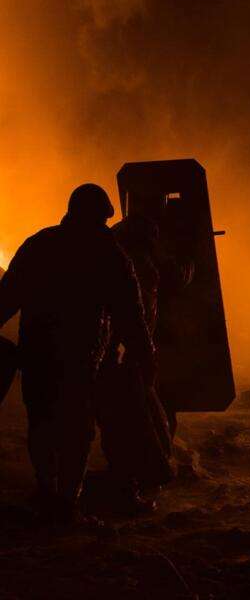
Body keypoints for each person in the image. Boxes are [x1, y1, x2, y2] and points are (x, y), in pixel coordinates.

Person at [0, 184, 154, 522]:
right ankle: (66, 499)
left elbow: (7, 296)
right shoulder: (109, 254)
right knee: (76, 427)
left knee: (41, 420)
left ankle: (47, 489)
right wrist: (145, 355)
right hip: (81, 359)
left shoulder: (40, 244)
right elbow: (130, 313)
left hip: (38, 354)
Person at [96, 213, 174, 513]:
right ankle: (125, 489)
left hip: (113, 354)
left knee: (127, 422)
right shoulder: (125, 263)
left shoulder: (119, 257)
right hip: (118, 356)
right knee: (127, 423)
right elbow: (131, 314)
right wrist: (143, 353)